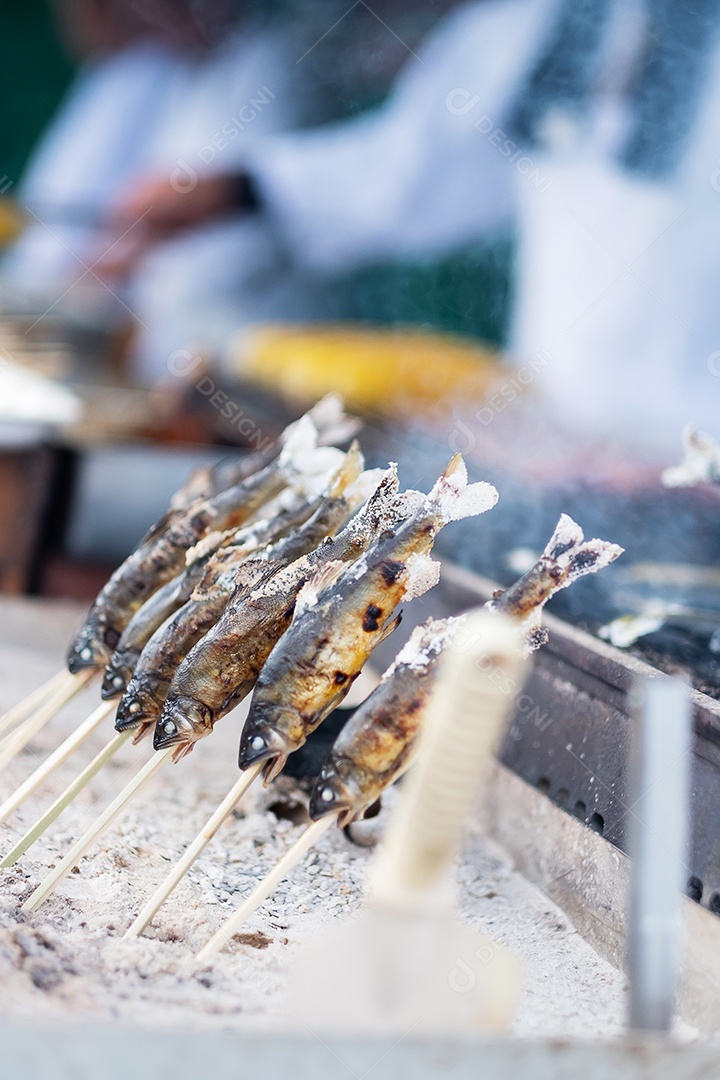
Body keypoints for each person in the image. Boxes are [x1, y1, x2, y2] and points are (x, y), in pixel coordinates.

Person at [106, 0, 720, 451]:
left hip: (702, 450)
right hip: (566, 442)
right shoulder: (557, 19)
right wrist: (244, 188)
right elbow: (421, 167)